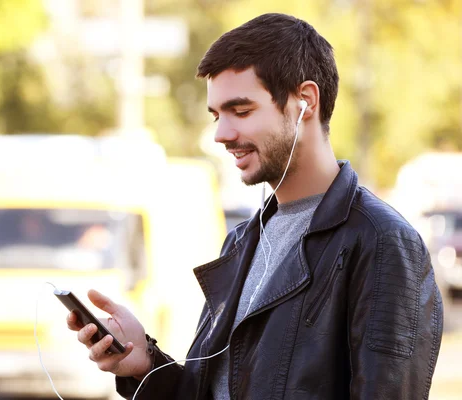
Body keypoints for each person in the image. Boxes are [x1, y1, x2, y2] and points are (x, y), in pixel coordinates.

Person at [66, 13, 443, 399]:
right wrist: (144, 363)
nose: (222, 134)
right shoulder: (243, 241)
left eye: (241, 111)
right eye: (217, 115)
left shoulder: (382, 241)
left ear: (305, 102)